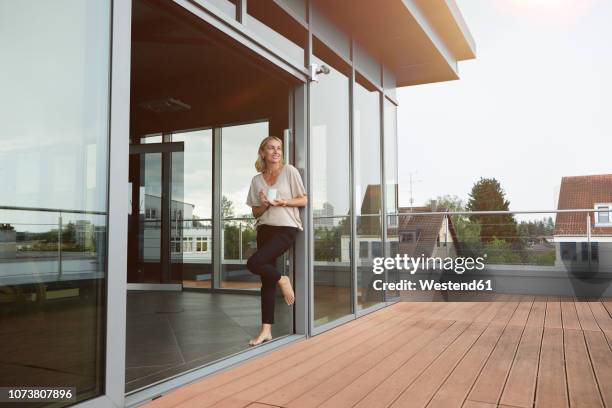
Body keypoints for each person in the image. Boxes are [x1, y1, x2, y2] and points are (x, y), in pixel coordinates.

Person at [245, 136, 307, 346]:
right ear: (262, 152)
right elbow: (255, 213)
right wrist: (265, 204)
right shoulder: (256, 180)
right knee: (266, 281)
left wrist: (284, 202)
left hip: (286, 228)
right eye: (271, 148)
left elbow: (304, 199)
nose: (276, 152)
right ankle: (266, 331)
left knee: (253, 263)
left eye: (279, 148)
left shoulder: (289, 171)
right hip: (264, 229)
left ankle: (283, 279)